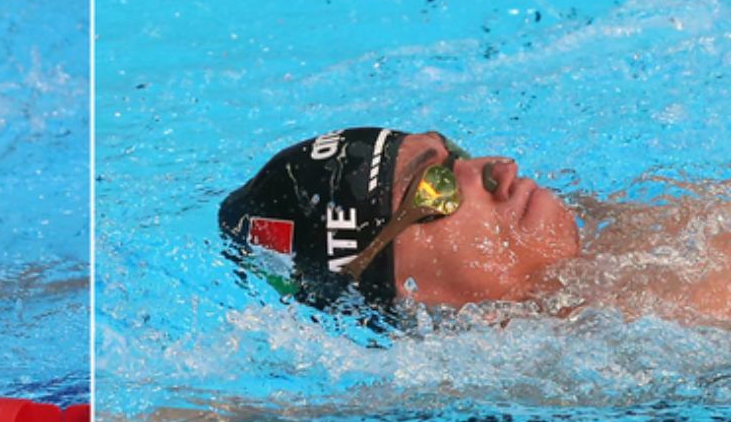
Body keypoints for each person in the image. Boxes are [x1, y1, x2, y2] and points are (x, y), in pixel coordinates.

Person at [219, 127, 731, 325]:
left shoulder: (663, 230)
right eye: (434, 183)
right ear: (403, 289)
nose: (500, 167)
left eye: (455, 155)